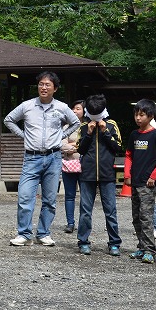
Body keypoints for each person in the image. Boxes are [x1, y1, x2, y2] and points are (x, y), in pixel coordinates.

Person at [5, 72, 80, 247]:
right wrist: (23, 135)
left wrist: (62, 134)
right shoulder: (27, 106)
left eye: (47, 84)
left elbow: (76, 122)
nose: (43, 87)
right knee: (25, 196)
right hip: (31, 157)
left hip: (53, 157)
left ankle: (44, 233)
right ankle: (23, 233)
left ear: (55, 88)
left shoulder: (61, 107)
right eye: (41, 84)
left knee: (49, 198)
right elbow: (9, 120)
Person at [124, 99, 156, 263]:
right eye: (136, 114)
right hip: (135, 182)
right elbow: (129, 155)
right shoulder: (134, 134)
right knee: (136, 217)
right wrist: (127, 175)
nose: (138, 118)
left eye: (142, 115)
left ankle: (150, 250)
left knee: (146, 217)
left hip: (147, 184)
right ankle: (141, 247)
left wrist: (154, 176)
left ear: (150, 116)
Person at [76, 94, 123, 256]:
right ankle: (83, 241)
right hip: (87, 174)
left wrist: (105, 132)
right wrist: (89, 133)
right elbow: (80, 149)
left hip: (107, 174)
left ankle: (114, 243)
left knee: (110, 210)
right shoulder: (83, 125)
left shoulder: (111, 124)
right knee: (85, 210)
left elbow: (117, 147)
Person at [60, 100, 84, 233]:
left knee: (85, 195)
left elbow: (89, 145)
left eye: (78, 109)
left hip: (85, 165)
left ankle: (83, 222)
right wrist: (78, 146)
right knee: (69, 195)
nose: (75, 111)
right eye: (73, 108)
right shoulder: (66, 127)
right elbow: (62, 145)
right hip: (69, 164)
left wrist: (74, 144)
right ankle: (70, 223)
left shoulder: (88, 125)